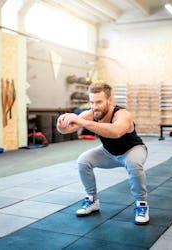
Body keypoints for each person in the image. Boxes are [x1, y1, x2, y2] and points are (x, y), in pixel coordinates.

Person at [56, 82, 149, 225]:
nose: (94, 106)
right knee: (83, 160)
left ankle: (141, 205)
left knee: (133, 164)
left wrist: (83, 122)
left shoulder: (123, 114)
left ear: (109, 100)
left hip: (132, 150)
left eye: (99, 102)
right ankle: (92, 200)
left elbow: (116, 131)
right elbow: (66, 130)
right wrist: (61, 123)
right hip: (108, 153)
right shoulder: (90, 114)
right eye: (92, 102)